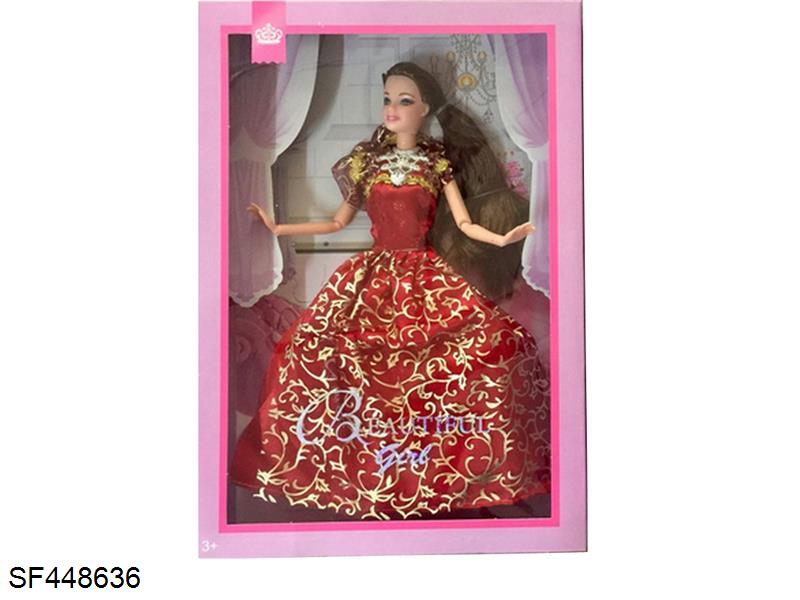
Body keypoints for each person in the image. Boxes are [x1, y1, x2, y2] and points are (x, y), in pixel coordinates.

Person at [229, 61, 551, 521]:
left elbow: (464, 223)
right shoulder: (368, 163)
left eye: (404, 100)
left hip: (425, 276)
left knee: (481, 349)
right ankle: (361, 470)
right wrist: (277, 227)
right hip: (372, 278)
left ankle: (435, 472)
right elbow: (337, 221)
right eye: (387, 99)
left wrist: (503, 239)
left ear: (425, 109)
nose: (392, 108)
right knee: (321, 351)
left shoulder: (436, 165)